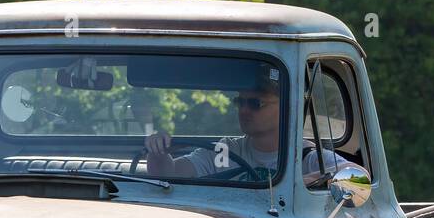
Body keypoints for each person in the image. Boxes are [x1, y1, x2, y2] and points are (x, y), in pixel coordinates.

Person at [143, 63, 343, 184]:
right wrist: (157, 150)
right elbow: (170, 174)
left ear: (288, 106)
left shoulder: (306, 157)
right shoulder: (226, 151)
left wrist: (304, 184)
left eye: (256, 103)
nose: (244, 110)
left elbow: (357, 175)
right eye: (240, 102)